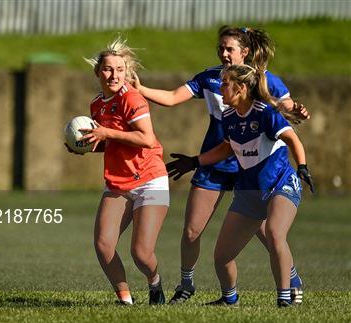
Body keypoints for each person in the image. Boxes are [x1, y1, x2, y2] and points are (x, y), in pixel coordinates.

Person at [132, 26, 308, 304]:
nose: (224, 53)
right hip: (214, 163)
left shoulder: (262, 80)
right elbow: (171, 98)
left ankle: (290, 281)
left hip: (250, 169)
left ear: (245, 52)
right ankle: (187, 285)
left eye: (230, 49)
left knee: (268, 232)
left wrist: (295, 111)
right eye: (221, 48)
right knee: (192, 230)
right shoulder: (210, 78)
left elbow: (284, 108)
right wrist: (140, 88)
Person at [167, 64, 314, 307]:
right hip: (249, 191)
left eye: (225, 84)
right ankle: (229, 299)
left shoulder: (265, 112)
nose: (220, 88)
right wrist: (195, 161)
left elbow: (292, 139)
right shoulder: (228, 116)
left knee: (276, 234)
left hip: (279, 183)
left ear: (241, 88)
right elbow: (227, 147)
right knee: (222, 256)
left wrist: (302, 167)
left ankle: (285, 298)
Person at [66, 37, 169, 305]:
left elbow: (146, 139)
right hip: (118, 182)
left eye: (120, 69)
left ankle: (155, 283)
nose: (114, 75)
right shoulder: (97, 104)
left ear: (127, 72)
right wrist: (86, 146)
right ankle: (125, 299)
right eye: (109, 69)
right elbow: (114, 143)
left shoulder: (132, 99)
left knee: (141, 253)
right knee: (103, 245)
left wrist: (105, 132)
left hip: (150, 180)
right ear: (98, 72)